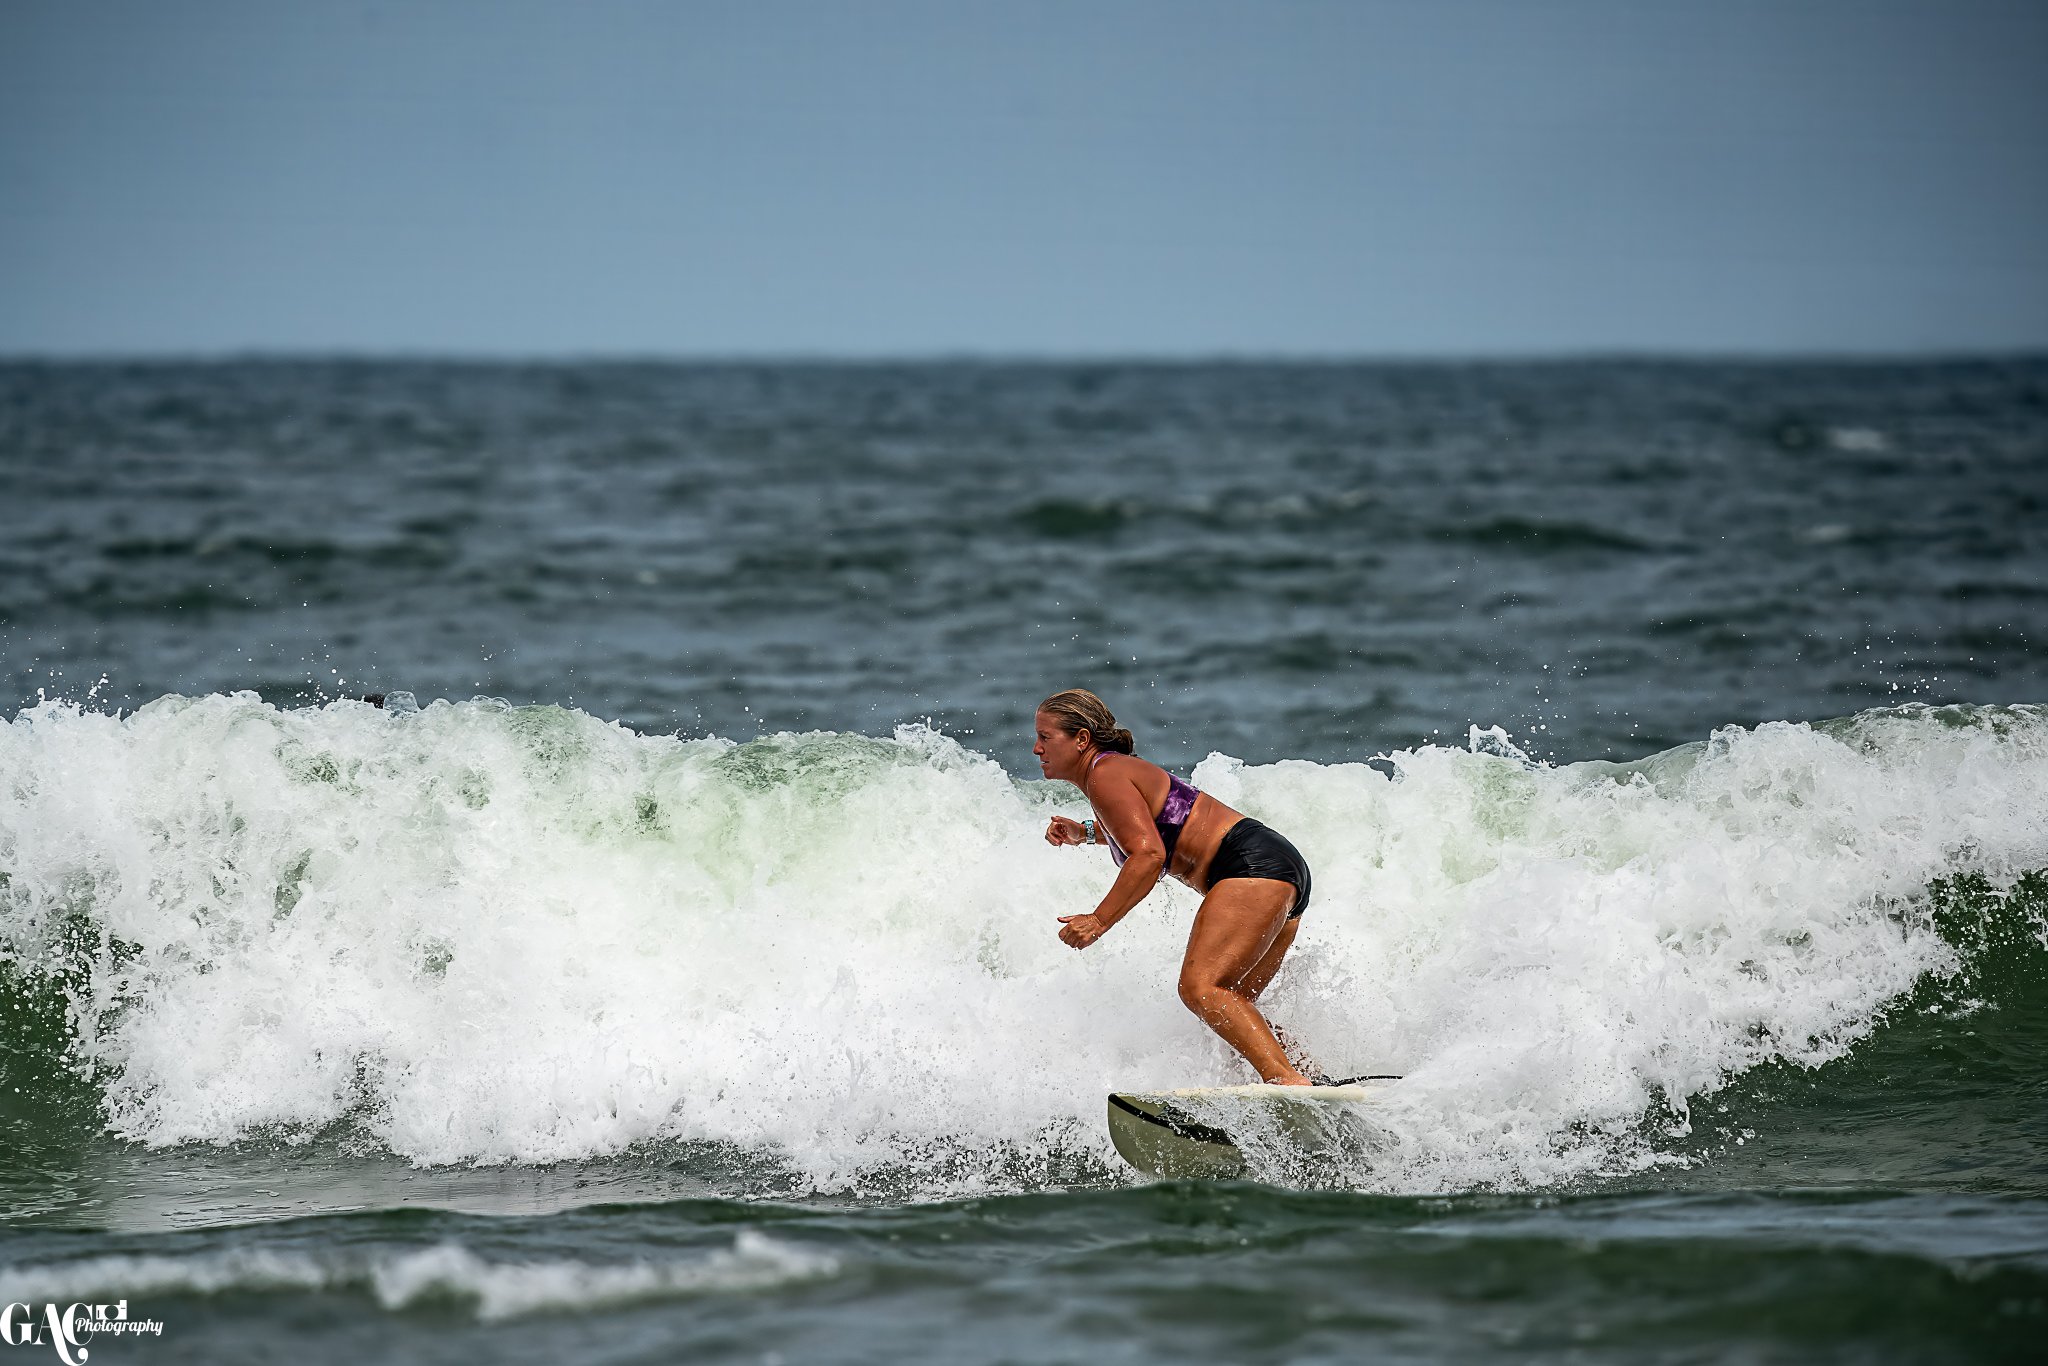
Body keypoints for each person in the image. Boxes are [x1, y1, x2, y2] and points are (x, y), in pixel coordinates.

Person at [1035, 688, 1318, 1086]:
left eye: (1045, 737)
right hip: (1275, 867)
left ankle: (1289, 1084)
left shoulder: (1104, 773)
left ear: (1081, 739)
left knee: (1201, 988)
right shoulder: (1111, 772)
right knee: (1230, 1002)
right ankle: (1309, 1077)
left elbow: (1148, 855)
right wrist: (1084, 832)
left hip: (1250, 868)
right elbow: (1158, 826)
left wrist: (1098, 920)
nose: (1036, 748)